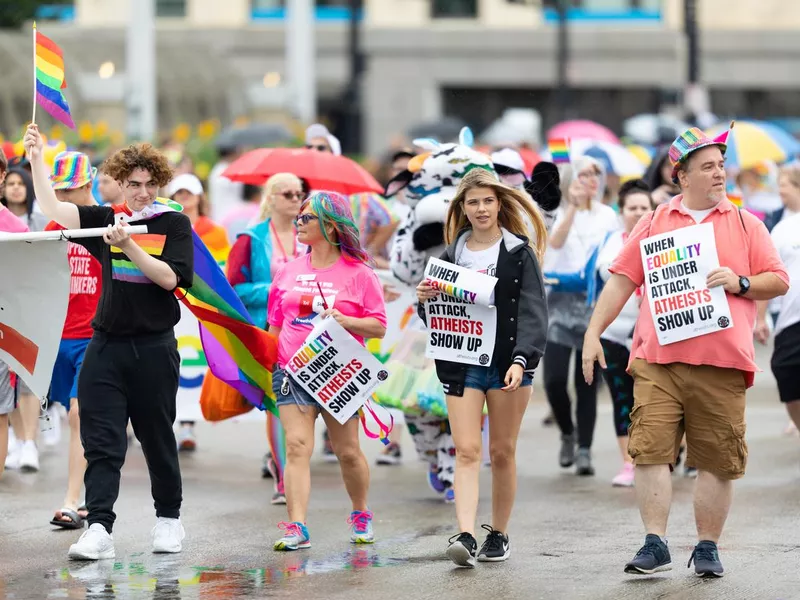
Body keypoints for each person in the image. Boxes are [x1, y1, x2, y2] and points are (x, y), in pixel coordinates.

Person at [582, 127, 788, 577]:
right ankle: (654, 542)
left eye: (721, 165)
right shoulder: (654, 221)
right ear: (681, 175)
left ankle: (708, 546)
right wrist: (592, 333)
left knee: (718, 459)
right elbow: (621, 280)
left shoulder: (745, 223)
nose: (719, 174)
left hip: (723, 363)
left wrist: (742, 282)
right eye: (708, 167)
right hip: (659, 360)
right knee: (650, 451)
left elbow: (778, 278)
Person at [24, 123, 194, 560]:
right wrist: (38, 160)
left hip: (155, 347)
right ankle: (99, 526)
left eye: (148, 184)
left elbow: (170, 279)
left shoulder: (173, 223)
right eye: (132, 184)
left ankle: (169, 520)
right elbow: (54, 209)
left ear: (159, 183)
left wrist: (131, 246)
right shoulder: (104, 218)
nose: (140, 192)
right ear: (119, 183)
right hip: (106, 346)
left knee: (156, 436)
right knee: (101, 441)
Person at [416, 168, 548, 567]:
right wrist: (425, 300)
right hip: (462, 363)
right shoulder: (449, 257)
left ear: (499, 203)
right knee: (468, 450)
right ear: (462, 208)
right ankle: (466, 534)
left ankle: (499, 534)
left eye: (488, 200)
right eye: (473, 202)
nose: (481, 208)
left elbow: (534, 313)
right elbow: (439, 318)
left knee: (502, 452)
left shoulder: (519, 253)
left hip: (509, 363)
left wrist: (523, 359)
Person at [267, 191, 387, 551]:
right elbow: (274, 325)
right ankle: (297, 526)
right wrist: (266, 367)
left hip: (339, 373)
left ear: (331, 226)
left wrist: (347, 319)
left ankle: (361, 512)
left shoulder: (360, 274)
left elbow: (379, 326)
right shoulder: (288, 270)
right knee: (297, 445)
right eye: (299, 218)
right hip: (291, 371)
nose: (298, 223)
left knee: (347, 450)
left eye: (307, 218)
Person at [227, 172, 306, 503]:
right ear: (270, 197)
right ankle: (284, 478)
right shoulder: (251, 239)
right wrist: (275, 290)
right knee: (278, 404)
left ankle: (295, 469)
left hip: (310, 332)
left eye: (299, 194)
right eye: (286, 193)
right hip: (270, 332)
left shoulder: (311, 236)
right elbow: (233, 288)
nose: (294, 199)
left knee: (303, 409)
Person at [543, 156, 619, 476]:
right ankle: (567, 432)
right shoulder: (555, 212)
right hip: (559, 301)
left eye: (594, 175)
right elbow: (554, 244)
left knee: (587, 379)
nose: (589, 180)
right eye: (583, 174)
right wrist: (572, 208)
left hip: (593, 301)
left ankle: (585, 449)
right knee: (555, 380)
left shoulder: (608, 216)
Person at [43, 152, 103, 529]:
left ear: (87, 183)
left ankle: (72, 499)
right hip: (58, 334)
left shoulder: (107, 223)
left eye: (69, 189)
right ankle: (84, 498)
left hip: (94, 334)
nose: (62, 196)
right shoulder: (52, 225)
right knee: (71, 418)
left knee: (81, 415)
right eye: (58, 189)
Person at [594, 180, 655, 487]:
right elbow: (608, 271)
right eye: (632, 208)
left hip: (655, 336)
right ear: (622, 211)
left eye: (644, 208)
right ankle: (628, 463)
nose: (638, 213)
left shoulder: (663, 238)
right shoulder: (613, 242)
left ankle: (665, 455)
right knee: (623, 398)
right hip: (616, 334)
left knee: (656, 400)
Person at [167, 173, 230, 451]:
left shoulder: (215, 231)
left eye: (188, 193)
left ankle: (188, 425)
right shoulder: (163, 225)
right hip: (171, 301)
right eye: (179, 193)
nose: (184, 198)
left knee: (194, 365)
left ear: (199, 197)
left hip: (201, 305)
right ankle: (172, 422)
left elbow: (221, 269)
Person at [755, 163, 800, 438]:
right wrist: (760, 318)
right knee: (786, 376)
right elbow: (766, 272)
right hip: (790, 318)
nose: (780, 189)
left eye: (786, 184)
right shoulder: (782, 228)